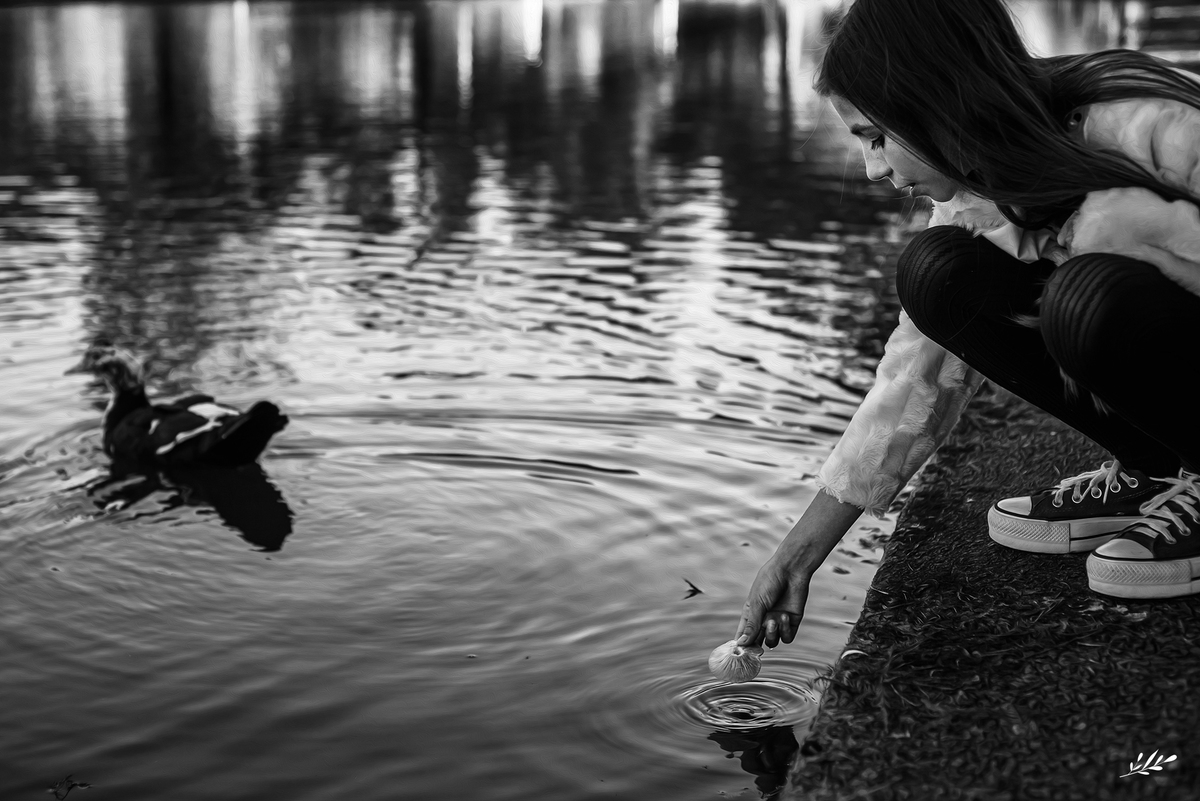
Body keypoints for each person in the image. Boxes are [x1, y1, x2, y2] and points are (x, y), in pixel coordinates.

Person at [735, 0, 1200, 652]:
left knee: (1084, 297)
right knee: (936, 273)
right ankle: (1155, 469)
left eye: (875, 137)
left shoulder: (1153, 124)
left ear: (937, 99)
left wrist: (1143, 243)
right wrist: (800, 550)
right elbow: (915, 378)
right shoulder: (981, 188)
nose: (872, 169)